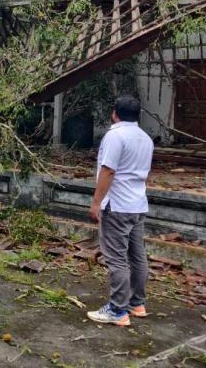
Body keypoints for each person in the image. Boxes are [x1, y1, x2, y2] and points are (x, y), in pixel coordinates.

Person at [87, 95, 154, 327]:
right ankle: (137, 303)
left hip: (117, 206)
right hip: (137, 205)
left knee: (117, 259)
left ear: (114, 112)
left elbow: (108, 171)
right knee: (137, 256)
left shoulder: (115, 136)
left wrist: (96, 202)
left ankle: (117, 309)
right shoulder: (145, 139)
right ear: (138, 114)